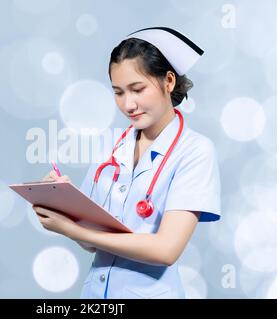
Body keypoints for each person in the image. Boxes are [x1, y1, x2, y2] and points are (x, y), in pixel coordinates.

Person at [33, 27, 221, 299]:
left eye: (137, 89)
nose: (128, 104)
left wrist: (71, 228)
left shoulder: (195, 151)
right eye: (118, 92)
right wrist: (65, 205)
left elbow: (166, 250)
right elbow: (90, 241)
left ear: (169, 82)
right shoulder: (110, 145)